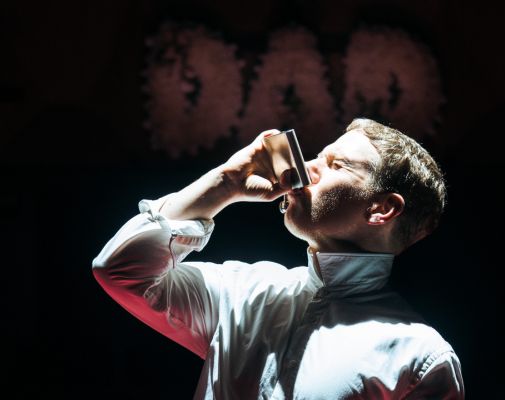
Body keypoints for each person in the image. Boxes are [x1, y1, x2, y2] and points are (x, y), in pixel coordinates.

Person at [92, 118, 465, 399]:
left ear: (381, 208)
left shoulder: (421, 357)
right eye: (318, 155)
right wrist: (226, 183)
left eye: (336, 165)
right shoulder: (242, 291)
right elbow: (120, 271)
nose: (308, 167)